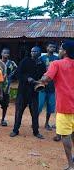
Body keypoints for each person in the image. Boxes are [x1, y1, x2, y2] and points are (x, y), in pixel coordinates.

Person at [39, 40, 74, 170]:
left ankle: (71, 165)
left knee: (65, 136)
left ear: (65, 51)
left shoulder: (56, 64)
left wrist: (41, 79)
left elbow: (46, 79)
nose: (58, 50)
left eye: (60, 49)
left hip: (64, 107)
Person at [10, 46, 45, 139]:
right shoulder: (25, 61)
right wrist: (27, 78)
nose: (33, 53)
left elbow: (44, 75)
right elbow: (18, 73)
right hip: (23, 92)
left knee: (34, 113)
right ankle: (15, 130)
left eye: (35, 51)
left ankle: (36, 132)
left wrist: (40, 82)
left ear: (40, 53)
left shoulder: (41, 64)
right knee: (19, 112)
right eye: (32, 51)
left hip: (34, 92)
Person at [38, 42, 59, 131]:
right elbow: (37, 71)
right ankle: (35, 122)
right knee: (39, 105)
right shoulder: (41, 58)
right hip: (42, 86)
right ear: (47, 48)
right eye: (50, 46)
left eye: (54, 47)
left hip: (52, 86)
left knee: (50, 106)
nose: (52, 48)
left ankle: (47, 123)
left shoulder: (57, 59)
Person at [0, 48, 17, 126]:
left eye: (8, 53)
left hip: (7, 88)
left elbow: (16, 70)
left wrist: (10, 76)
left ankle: (3, 119)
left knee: (5, 105)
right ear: (1, 53)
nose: (6, 54)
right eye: (4, 53)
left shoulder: (12, 63)